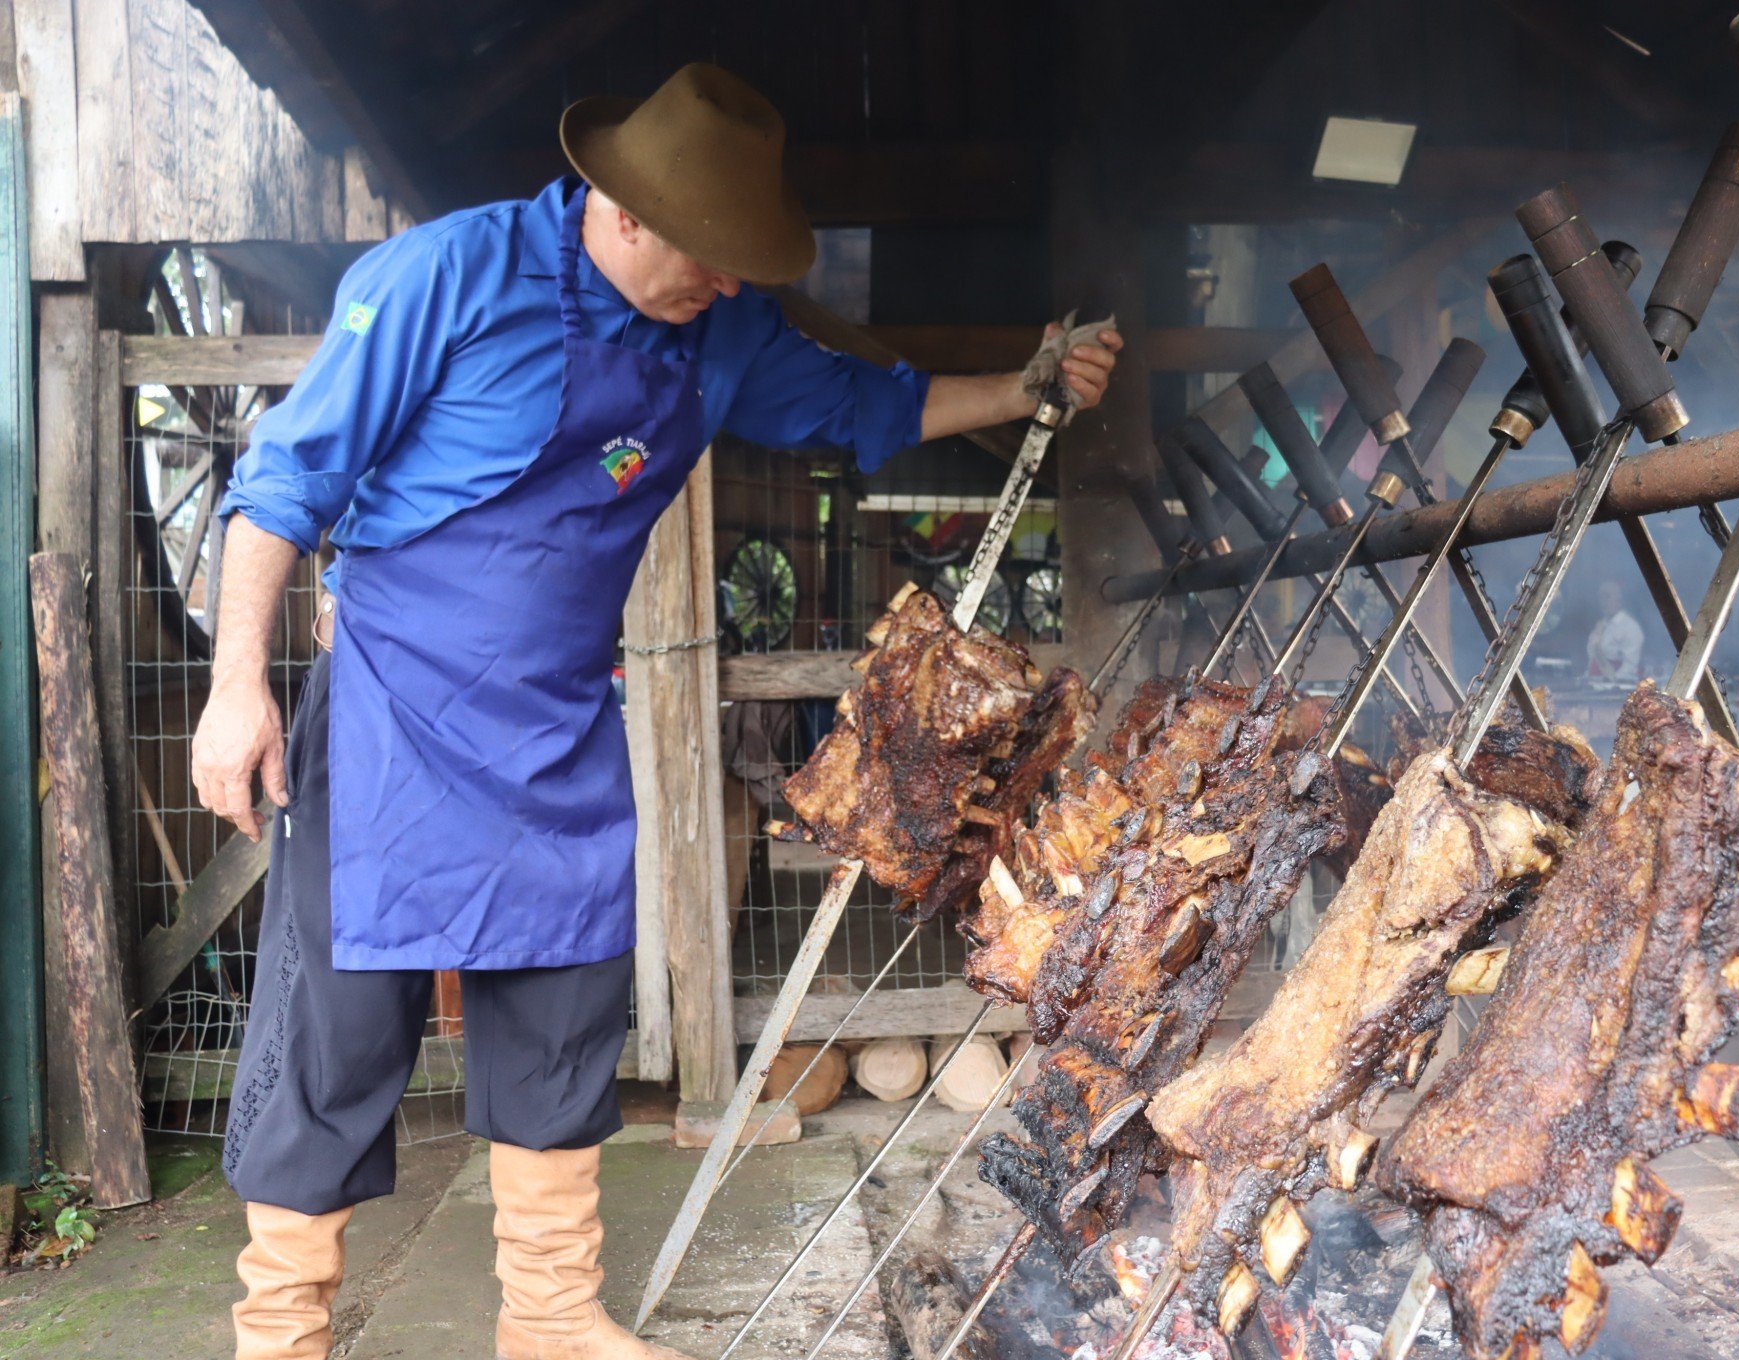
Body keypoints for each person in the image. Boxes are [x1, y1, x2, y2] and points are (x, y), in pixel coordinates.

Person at [191, 64, 1121, 1360]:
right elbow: (281, 484)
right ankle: (280, 1334)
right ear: (625, 214)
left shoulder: (723, 336)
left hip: (558, 730)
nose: (732, 285)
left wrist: (1026, 389)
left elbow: (871, 406)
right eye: (714, 257)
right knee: (336, 1040)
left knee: (566, 1012)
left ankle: (553, 1323)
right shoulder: (444, 279)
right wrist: (238, 689)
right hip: (396, 720)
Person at [1585, 578, 1644, 685]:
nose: (1603, 602)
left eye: (1607, 597)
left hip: (1617, 688)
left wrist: (1612, 682)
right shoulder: (1600, 625)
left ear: (1619, 599)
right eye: (1600, 597)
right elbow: (1592, 658)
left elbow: (1630, 666)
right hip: (1595, 684)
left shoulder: (1630, 627)